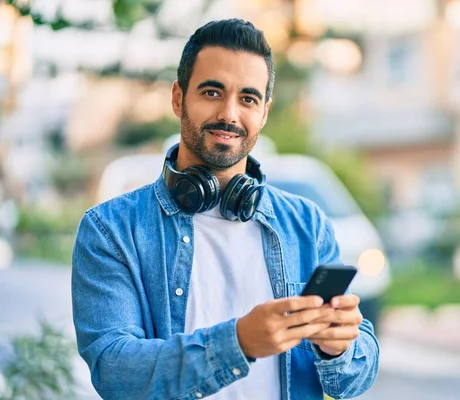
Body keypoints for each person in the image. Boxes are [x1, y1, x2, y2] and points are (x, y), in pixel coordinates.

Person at [71, 19, 379, 400]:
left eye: (248, 98)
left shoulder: (307, 224)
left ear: (264, 113)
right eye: (213, 92)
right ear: (178, 98)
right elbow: (114, 370)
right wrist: (238, 342)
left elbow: (355, 376)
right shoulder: (111, 230)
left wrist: (341, 346)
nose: (230, 114)